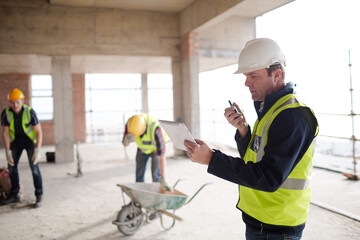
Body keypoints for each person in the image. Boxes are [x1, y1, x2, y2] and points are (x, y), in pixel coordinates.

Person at [184, 38, 318, 240]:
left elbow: (269, 177)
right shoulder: (271, 109)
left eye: (253, 76)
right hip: (260, 220)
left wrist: (212, 158)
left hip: (277, 226)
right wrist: (244, 130)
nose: (247, 82)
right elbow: (255, 158)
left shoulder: (292, 116)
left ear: (277, 74)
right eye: (246, 76)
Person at [1, 88, 43, 207]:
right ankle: (15, 195)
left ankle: (39, 195)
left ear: (22, 100)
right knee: (12, 167)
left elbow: (39, 131)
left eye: (17, 102)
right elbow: (4, 133)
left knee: (34, 169)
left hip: (30, 141)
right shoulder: (6, 113)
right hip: (16, 142)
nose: (15, 105)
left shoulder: (30, 112)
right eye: (12, 102)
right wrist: (8, 150)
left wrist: (38, 149)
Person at [122, 113, 171, 191]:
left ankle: (157, 195)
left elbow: (161, 156)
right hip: (142, 149)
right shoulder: (131, 124)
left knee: (156, 176)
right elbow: (125, 141)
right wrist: (126, 140)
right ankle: (138, 196)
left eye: (139, 134)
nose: (138, 136)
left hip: (155, 150)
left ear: (144, 127)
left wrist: (163, 178)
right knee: (139, 175)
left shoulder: (156, 129)